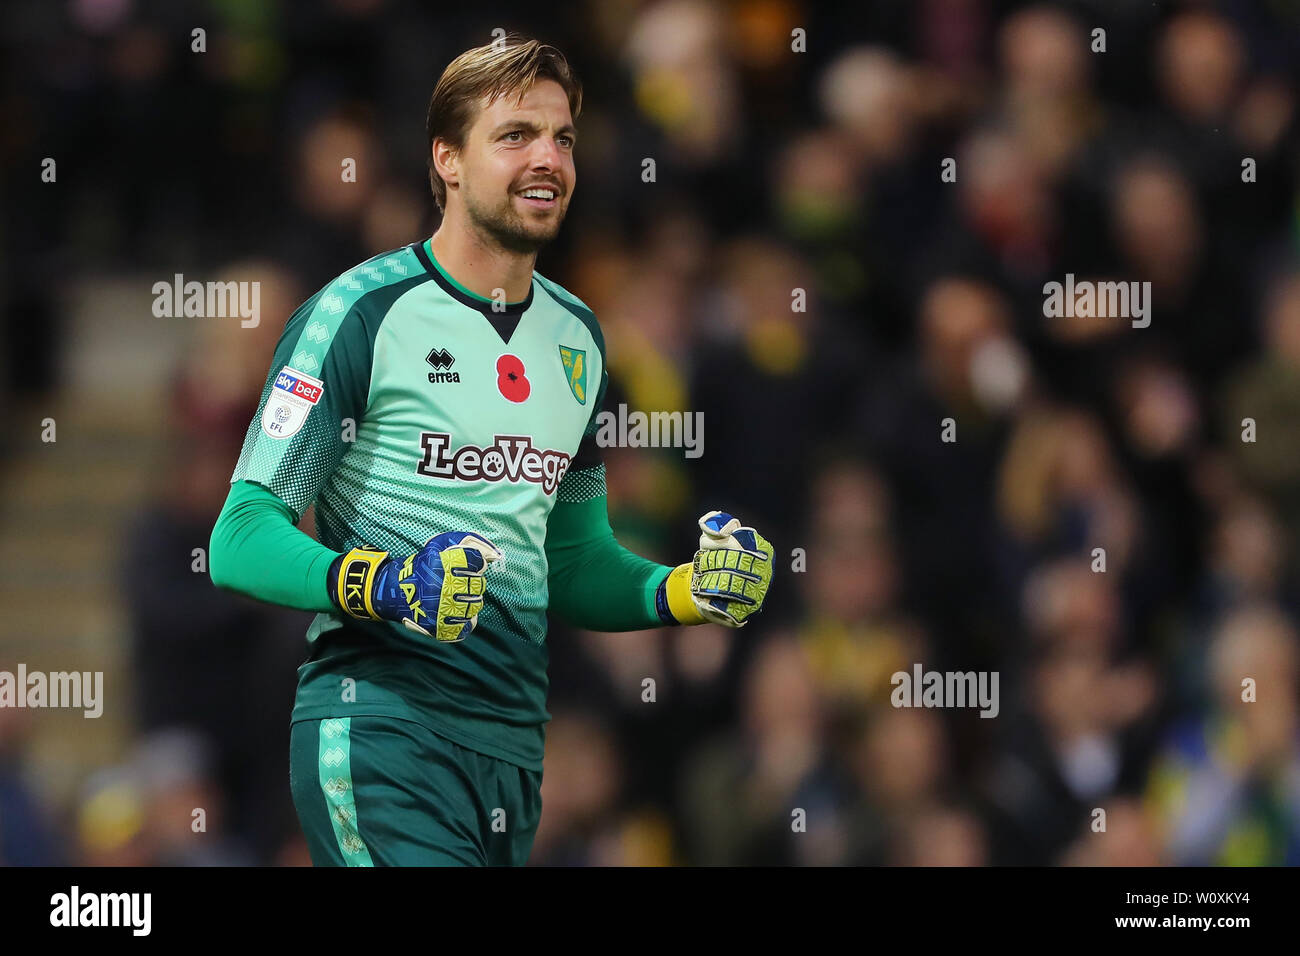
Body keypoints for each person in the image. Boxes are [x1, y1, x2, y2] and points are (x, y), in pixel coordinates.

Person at [208, 35, 773, 866]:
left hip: (512, 754)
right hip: (381, 729)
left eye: (564, 139)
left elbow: (571, 564)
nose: (548, 158)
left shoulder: (577, 337)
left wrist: (684, 591)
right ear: (447, 158)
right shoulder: (361, 315)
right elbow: (239, 535)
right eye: (516, 136)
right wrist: (377, 580)